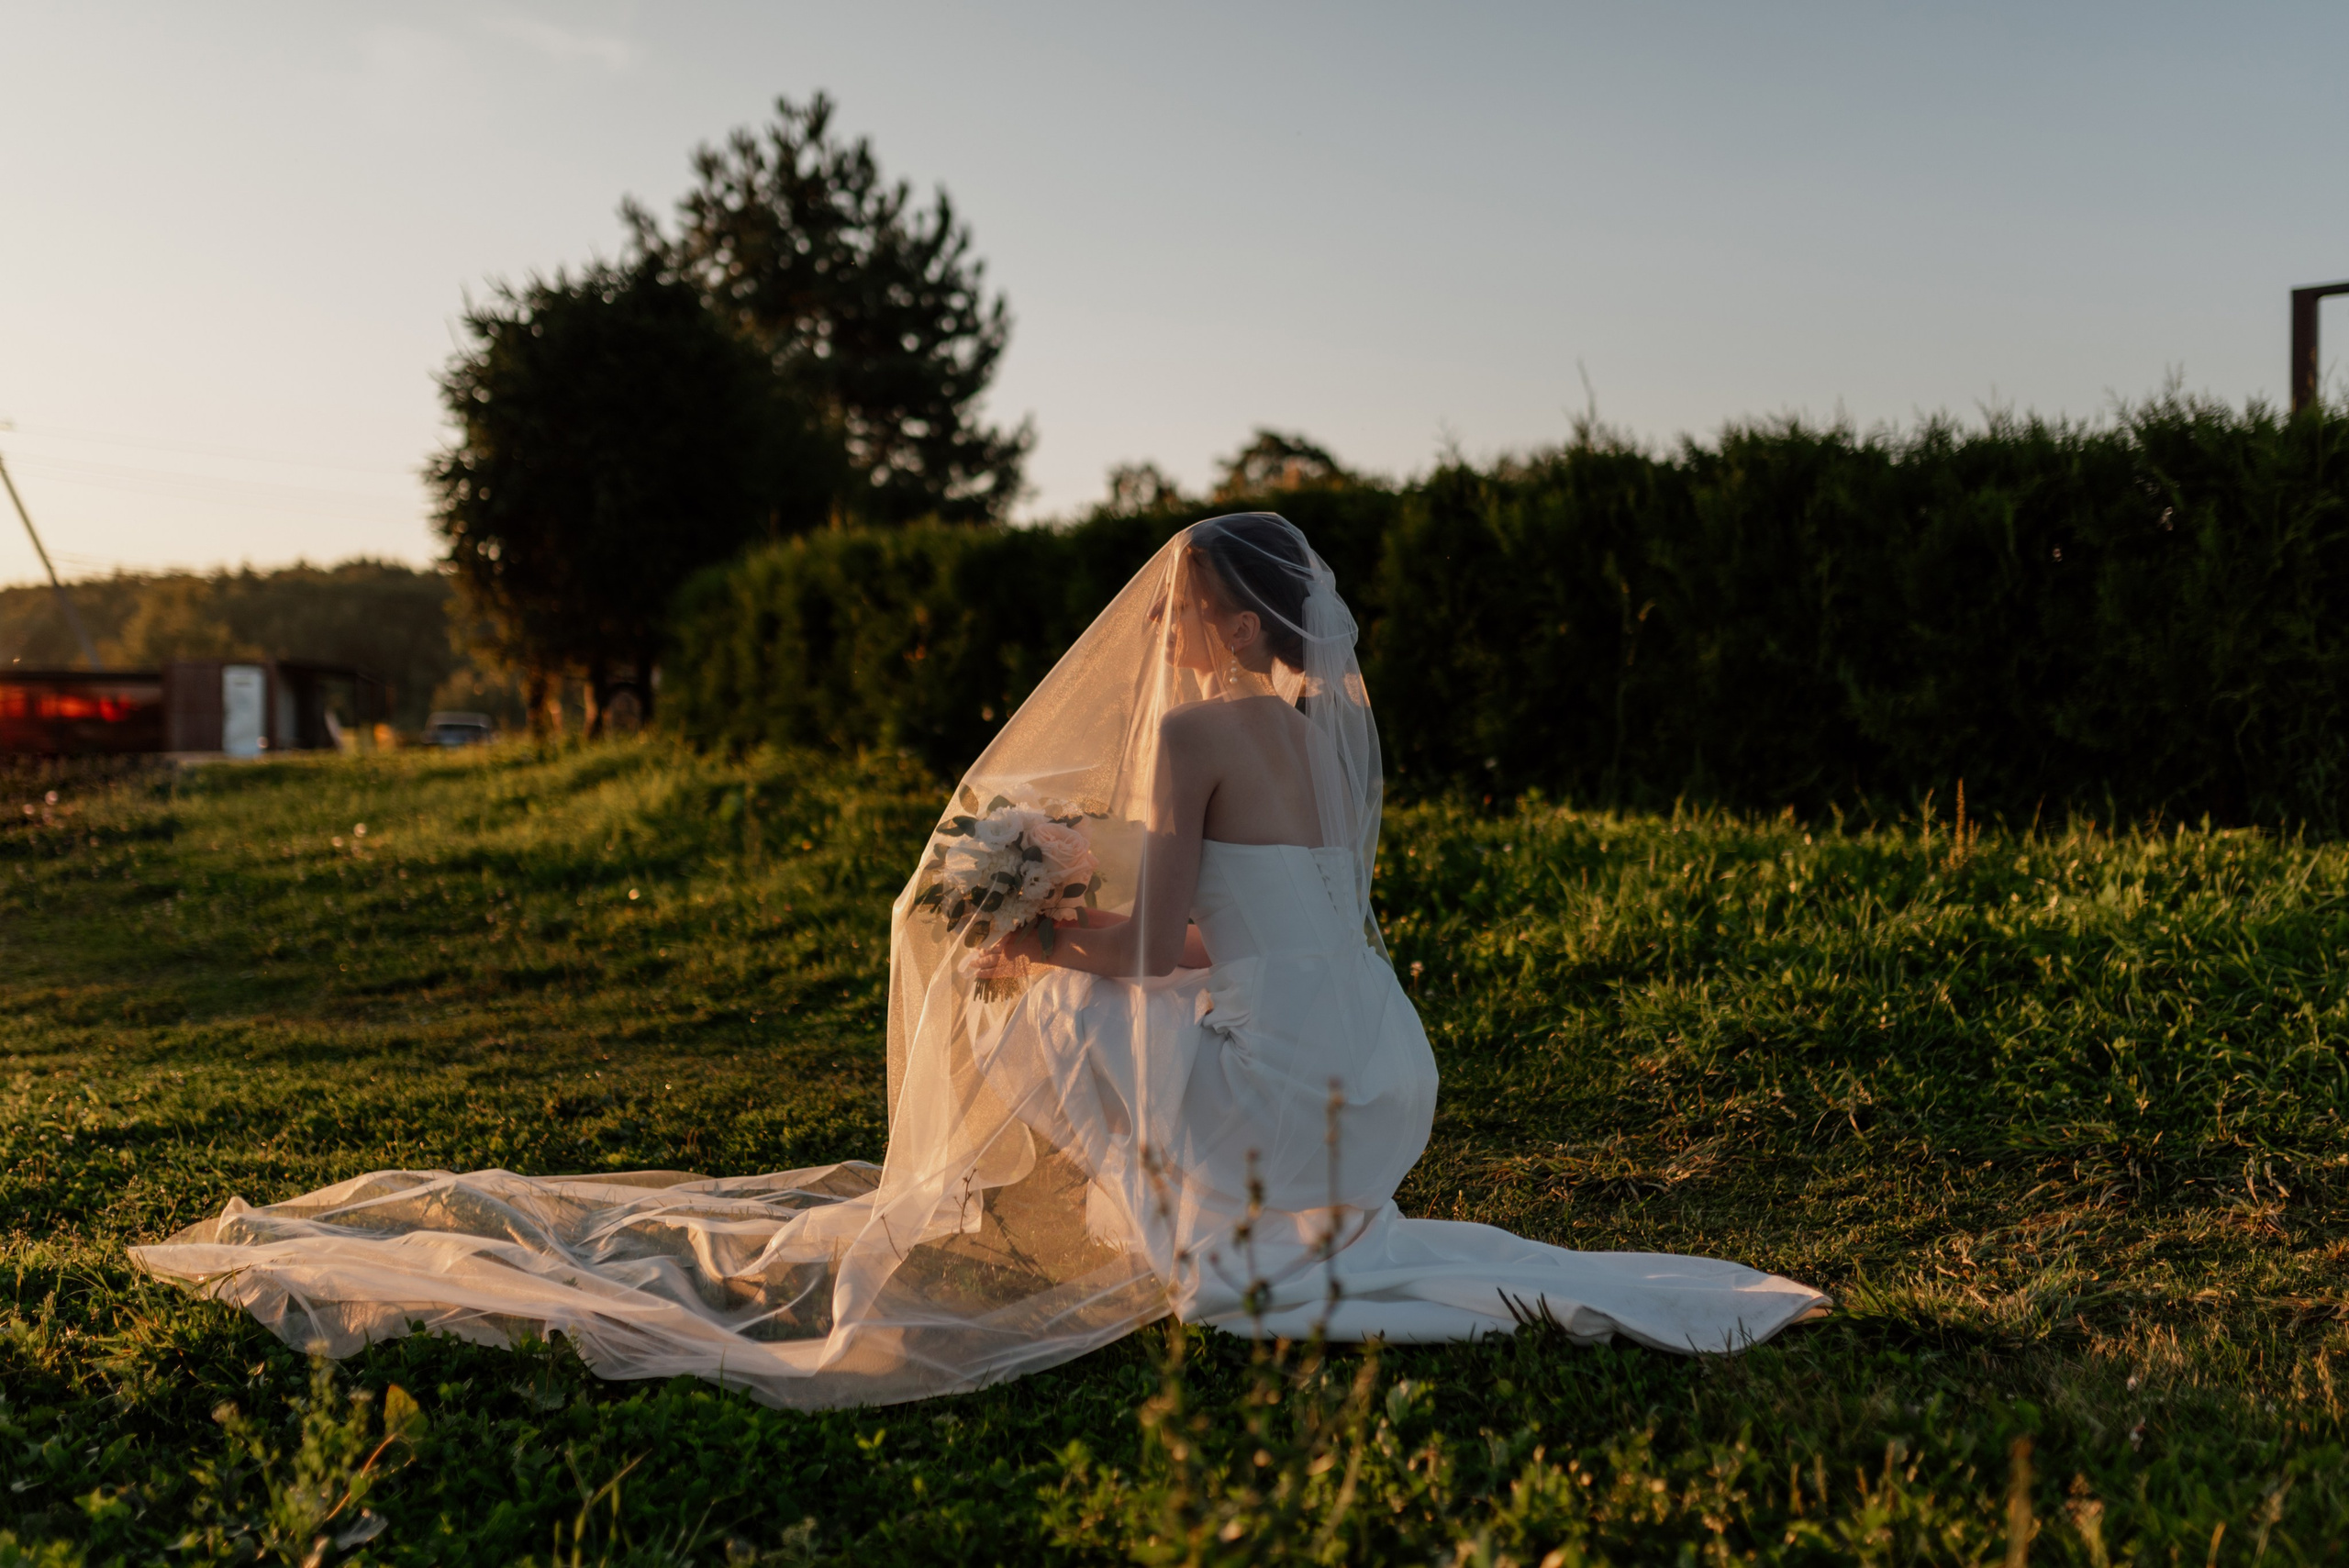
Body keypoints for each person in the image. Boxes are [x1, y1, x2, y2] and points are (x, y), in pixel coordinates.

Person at [133, 515, 1826, 1408]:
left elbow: (1159, 942)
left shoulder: (1202, 722)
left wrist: (1014, 930)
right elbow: (1252, 930)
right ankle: (1121, 1201)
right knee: (1091, 983)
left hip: (1288, 1097)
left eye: (1176, 608)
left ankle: (978, 1203)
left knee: (1058, 982)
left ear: (1208, 618)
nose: (1159, 631)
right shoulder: (1326, 724)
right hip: (1379, 1083)